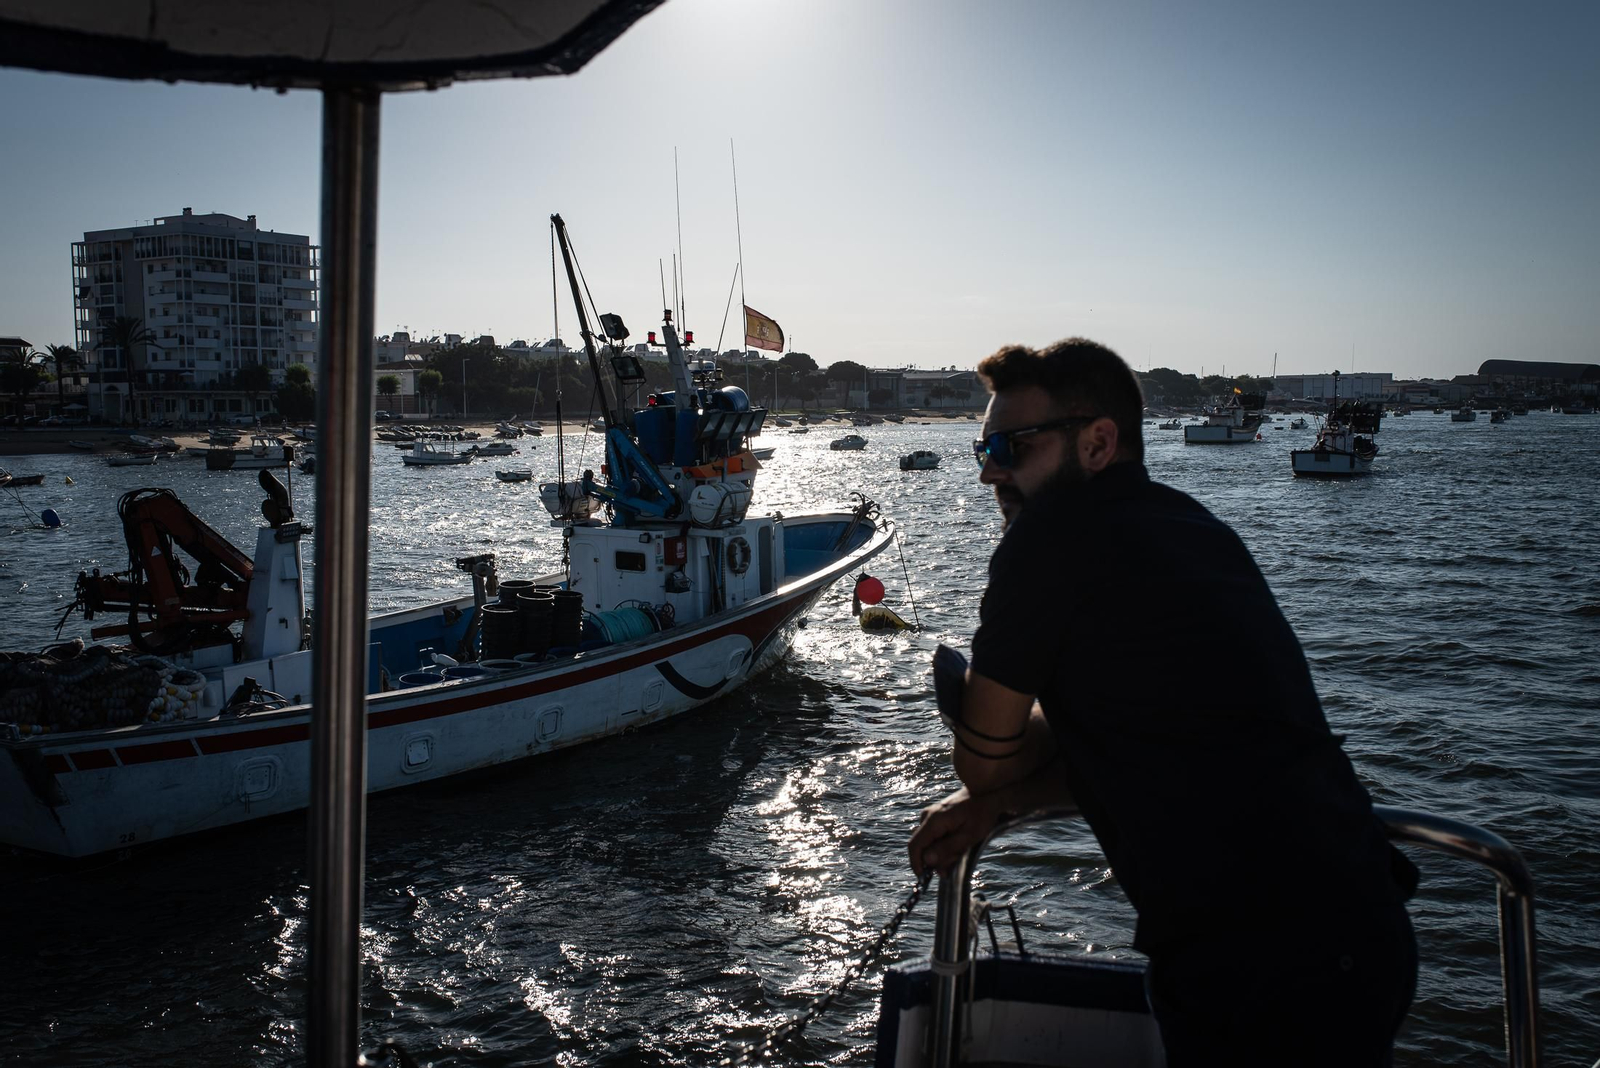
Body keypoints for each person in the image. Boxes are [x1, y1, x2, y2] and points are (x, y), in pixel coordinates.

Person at [908, 338, 1417, 1066]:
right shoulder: (1195, 529)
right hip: (1361, 929)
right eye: (985, 444)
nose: (990, 466)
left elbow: (986, 764)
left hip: (1256, 966)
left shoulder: (1046, 538)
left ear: (1097, 443)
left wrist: (991, 768)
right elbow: (1154, 741)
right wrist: (1005, 804)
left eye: (1012, 445)